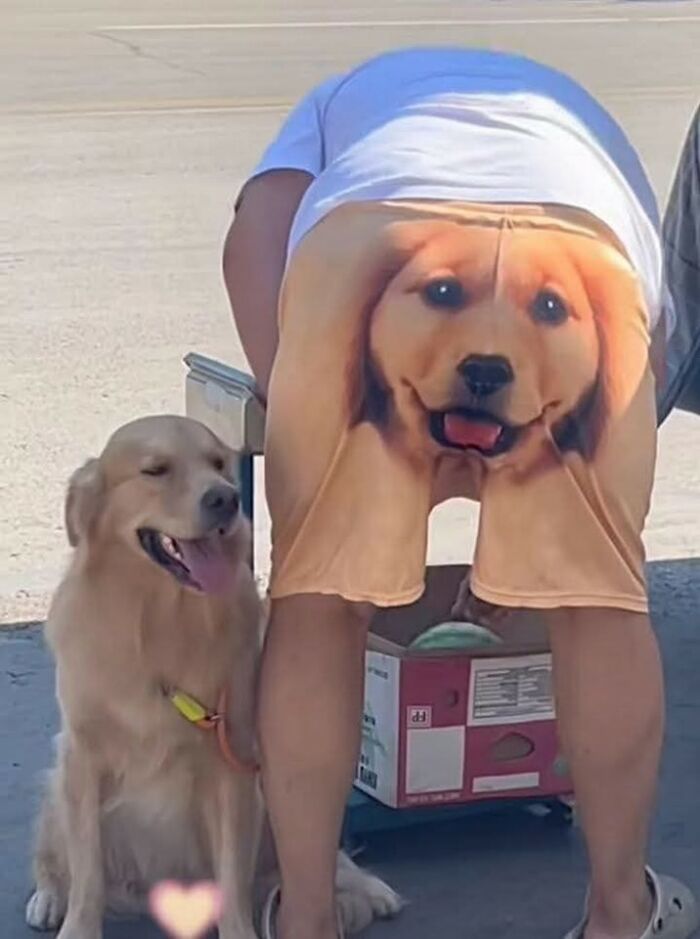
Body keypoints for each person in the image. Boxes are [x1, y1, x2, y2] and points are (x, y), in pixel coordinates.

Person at [222, 48, 699, 939]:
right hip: (583, 257)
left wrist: (285, 383)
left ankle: (309, 918)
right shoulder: (580, 123)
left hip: (376, 244)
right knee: (599, 606)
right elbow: (657, 345)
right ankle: (620, 912)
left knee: (318, 601)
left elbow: (259, 226)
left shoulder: (332, 101)